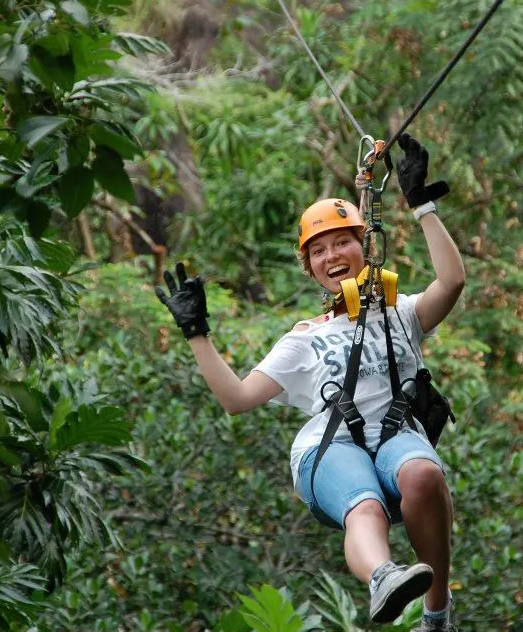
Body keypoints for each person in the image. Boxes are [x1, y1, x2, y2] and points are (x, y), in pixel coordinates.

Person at [156, 133, 465, 631]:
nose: (332, 254)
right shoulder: (304, 339)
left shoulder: (401, 313)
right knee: (363, 504)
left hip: (395, 435)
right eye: (318, 250)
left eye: (342, 241)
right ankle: (383, 576)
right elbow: (237, 399)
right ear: (310, 267)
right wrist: (196, 333)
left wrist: (423, 205)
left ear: (365, 247)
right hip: (330, 446)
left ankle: (438, 613)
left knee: (424, 475)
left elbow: (451, 281)